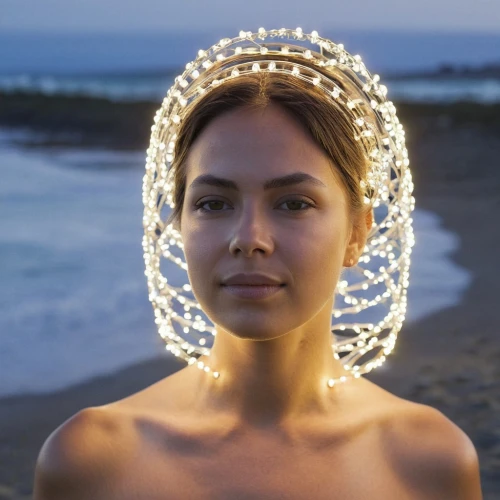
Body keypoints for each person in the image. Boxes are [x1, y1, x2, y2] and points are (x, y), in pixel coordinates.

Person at [33, 29, 482, 499]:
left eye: (293, 203)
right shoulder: (92, 461)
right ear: (178, 224)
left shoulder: (428, 462)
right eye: (213, 204)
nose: (249, 239)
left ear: (357, 232)